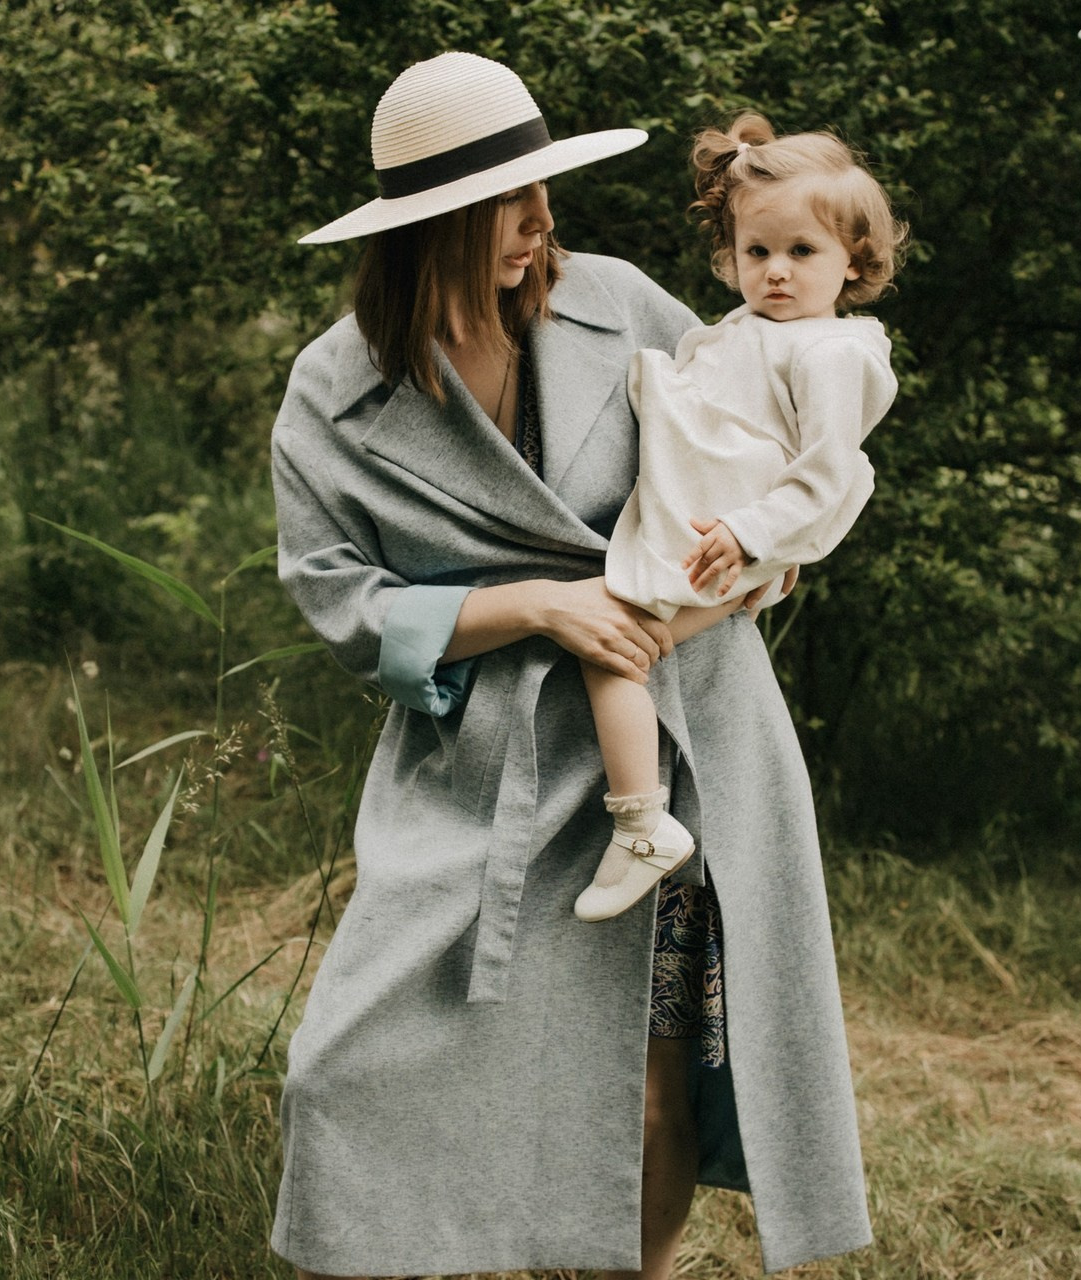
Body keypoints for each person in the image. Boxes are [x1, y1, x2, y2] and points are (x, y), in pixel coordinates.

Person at [270, 51, 872, 1280]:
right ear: (432, 222)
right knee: (338, 1064)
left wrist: (711, 583)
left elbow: (765, 487)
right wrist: (537, 602)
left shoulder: (621, 302)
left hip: (674, 741)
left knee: (648, 1086)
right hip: (478, 764)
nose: (545, 221)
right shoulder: (333, 392)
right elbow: (338, 600)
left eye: (546, 188)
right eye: (512, 200)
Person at [574, 113, 906, 922]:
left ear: (853, 260)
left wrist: (755, 538)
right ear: (731, 256)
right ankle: (645, 817)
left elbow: (827, 476)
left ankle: (641, 824)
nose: (777, 273)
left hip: (723, 536)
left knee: (616, 646)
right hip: (708, 529)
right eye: (758, 252)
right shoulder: (748, 329)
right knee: (623, 644)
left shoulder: (831, 353)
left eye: (802, 253)